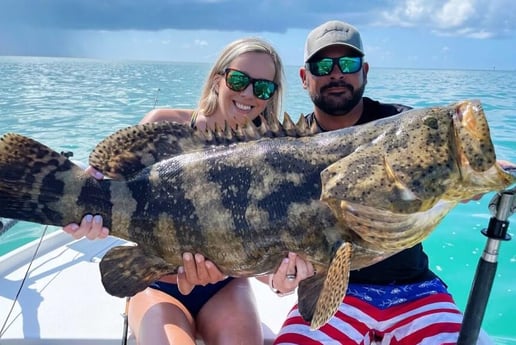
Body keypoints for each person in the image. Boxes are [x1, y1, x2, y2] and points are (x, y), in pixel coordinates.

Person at [268, 20, 499, 345]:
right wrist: (280, 282)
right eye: (323, 65)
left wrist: (477, 171)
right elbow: (275, 274)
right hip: (328, 295)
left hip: (416, 290)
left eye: (347, 64)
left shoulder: (401, 127)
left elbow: (459, 159)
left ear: (364, 71)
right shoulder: (285, 150)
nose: (336, 74)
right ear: (305, 78)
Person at [62, 37, 285, 345]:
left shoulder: (269, 159)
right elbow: (113, 198)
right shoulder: (162, 126)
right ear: (218, 79)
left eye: (262, 87)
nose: (248, 93)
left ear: (271, 96)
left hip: (225, 287)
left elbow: (262, 247)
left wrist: (281, 278)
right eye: (238, 79)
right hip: (154, 283)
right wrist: (85, 217)